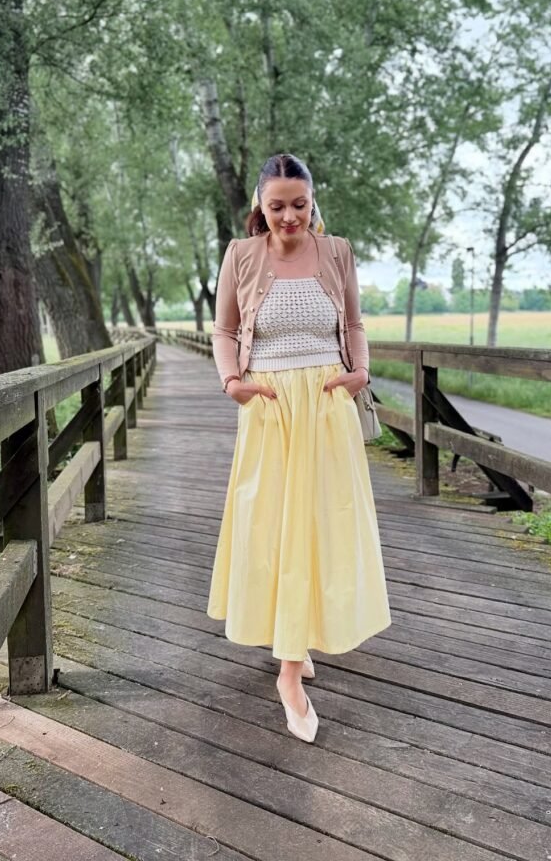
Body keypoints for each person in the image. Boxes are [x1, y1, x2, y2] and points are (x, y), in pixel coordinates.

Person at [206, 153, 391, 743]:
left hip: (328, 406)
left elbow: (355, 324)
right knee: (276, 530)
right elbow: (225, 329)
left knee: (321, 529)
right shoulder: (241, 255)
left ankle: (293, 660)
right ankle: (291, 663)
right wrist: (233, 383)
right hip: (269, 409)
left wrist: (359, 371)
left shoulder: (337, 252)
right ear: (260, 207)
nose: (290, 216)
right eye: (278, 205)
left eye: (300, 204)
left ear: (313, 202)